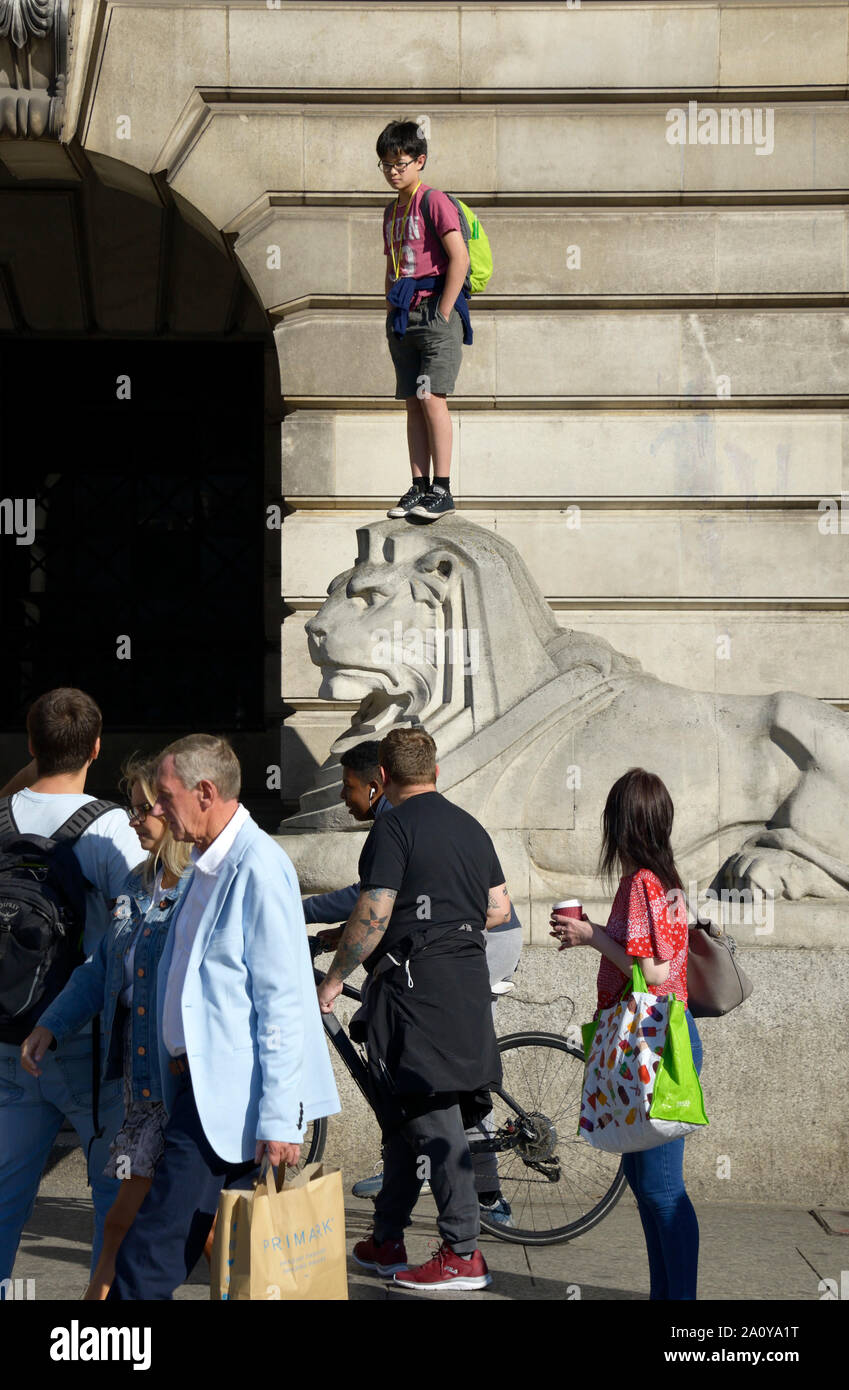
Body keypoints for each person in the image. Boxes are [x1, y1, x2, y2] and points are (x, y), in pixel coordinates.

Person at [105, 734, 340, 1301]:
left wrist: (283, 1118)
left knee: (152, 1251)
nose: (155, 810)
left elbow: (281, 998)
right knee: (212, 1252)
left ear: (205, 792)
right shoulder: (210, 864)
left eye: (164, 796)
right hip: (200, 1089)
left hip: (225, 1096)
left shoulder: (256, 866)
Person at [317, 727, 511, 1293]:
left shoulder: (394, 827)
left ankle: (462, 1253)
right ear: (436, 770)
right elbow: (497, 909)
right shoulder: (469, 827)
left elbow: (374, 914)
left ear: (382, 775)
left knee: (429, 1113)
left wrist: (334, 980)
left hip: (415, 992)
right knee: (404, 1118)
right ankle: (387, 1238)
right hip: (465, 981)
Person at [21, 753, 194, 1299]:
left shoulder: (203, 887)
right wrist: (50, 1023)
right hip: (141, 1091)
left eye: (144, 810)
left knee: (194, 1231)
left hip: (187, 1095)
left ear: (172, 811)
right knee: (125, 1225)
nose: (134, 820)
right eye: (131, 808)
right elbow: (100, 967)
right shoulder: (139, 886)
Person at [0, 688, 142, 1287]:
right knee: (113, 1197)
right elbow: (138, 931)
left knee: (4, 1192)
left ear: (30, 745)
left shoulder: (1, 815)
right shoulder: (109, 826)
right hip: (87, 1042)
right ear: (97, 748)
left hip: (10, 1035)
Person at [551, 766, 701, 1301]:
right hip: (659, 1040)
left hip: (652, 1044)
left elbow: (655, 974)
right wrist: (596, 933)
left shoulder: (642, 882)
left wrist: (591, 935)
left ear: (624, 824)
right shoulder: (663, 878)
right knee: (647, 1187)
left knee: (661, 1191)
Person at [378, 119, 471, 522]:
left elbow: (460, 257)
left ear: (420, 161)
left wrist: (445, 309)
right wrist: (388, 311)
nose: (393, 171)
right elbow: (391, 264)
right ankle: (418, 486)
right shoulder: (391, 210)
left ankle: (443, 488)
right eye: (386, 164)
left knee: (432, 398)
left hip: (434, 310)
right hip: (402, 315)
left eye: (400, 163)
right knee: (413, 403)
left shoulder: (432, 201)